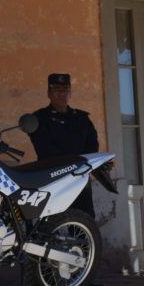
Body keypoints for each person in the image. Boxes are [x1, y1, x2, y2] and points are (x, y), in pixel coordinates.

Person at [29, 73, 100, 216]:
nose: (62, 94)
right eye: (56, 90)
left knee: (84, 221)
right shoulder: (39, 118)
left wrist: (81, 166)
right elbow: (44, 149)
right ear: (49, 93)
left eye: (65, 90)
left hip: (79, 178)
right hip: (52, 178)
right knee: (50, 224)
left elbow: (92, 147)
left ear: (70, 93)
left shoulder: (81, 118)